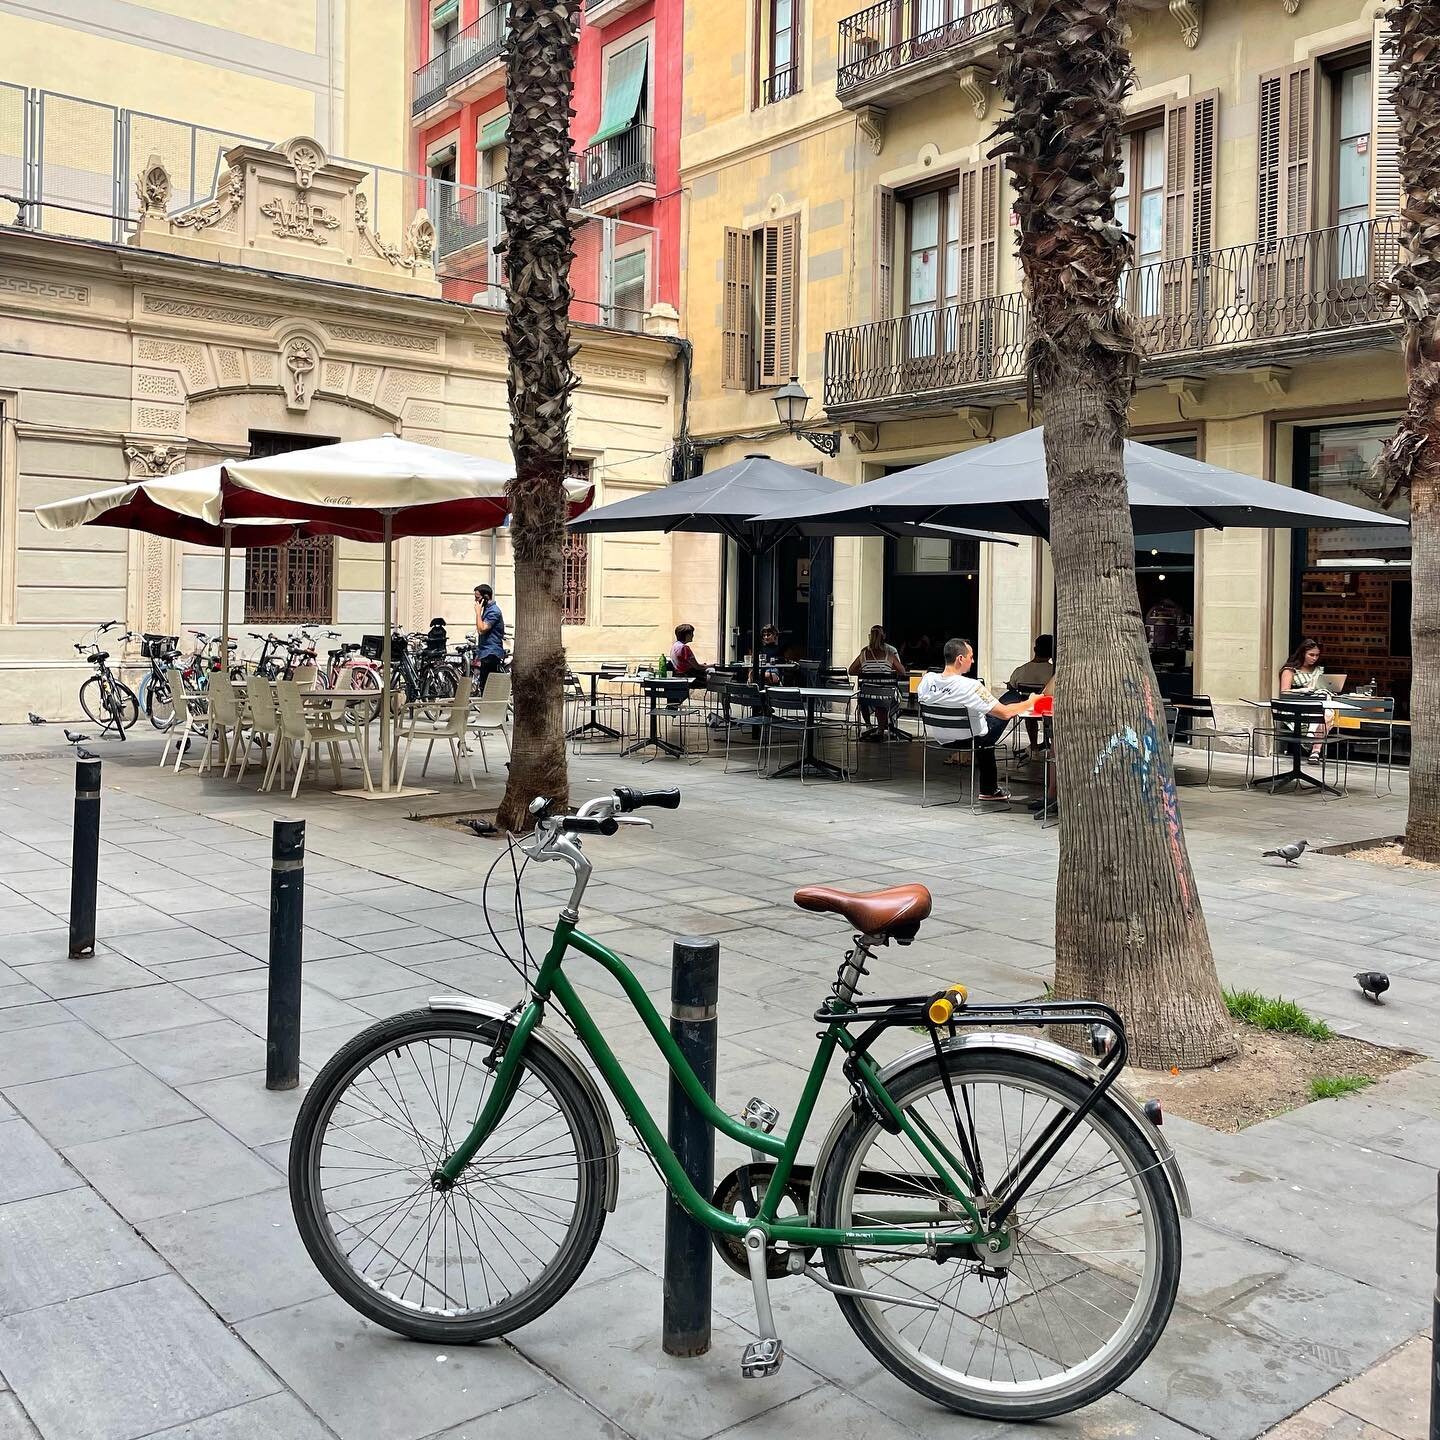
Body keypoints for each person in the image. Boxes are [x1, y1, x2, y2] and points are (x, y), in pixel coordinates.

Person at [918, 638, 1036, 803]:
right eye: (971, 657)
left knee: (983, 723)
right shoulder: (971, 686)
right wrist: (1031, 702)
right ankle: (989, 790)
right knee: (1011, 697)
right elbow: (1005, 714)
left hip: (942, 738)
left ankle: (989, 789)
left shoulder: (927, 680)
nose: (973, 661)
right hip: (972, 739)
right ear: (960, 658)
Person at [1278, 637, 1333, 762]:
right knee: (1325, 713)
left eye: (1317, 655)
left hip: (1318, 703)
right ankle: (1312, 743)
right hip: (1297, 705)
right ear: (1303, 653)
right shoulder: (1290, 670)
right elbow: (1284, 692)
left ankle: (1315, 750)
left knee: (1328, 714)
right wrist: (1301, 690)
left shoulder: (1320, 670)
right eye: (1311, 655)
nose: (1314, 658)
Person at [849, 624, 906, 740]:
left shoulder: (863, 654)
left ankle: (868, 726)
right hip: (885, 696)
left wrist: (865, 671)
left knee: (871, 694)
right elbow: (902, 671)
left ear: (870, 637)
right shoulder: (889, 654)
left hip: (866, 695)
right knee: (882, 696)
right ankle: (881, 730)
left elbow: (851, 670)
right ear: (883, 637)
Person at [1009, 634, 1055, 757]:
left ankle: (1033, 745)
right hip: (1048, 711)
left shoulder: (1020, 670)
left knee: (1029, 711)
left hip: (1027, 711)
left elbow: (1012, 686)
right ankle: (1050, 743)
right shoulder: (1054, 672)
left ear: (1035, 650)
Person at [472, 584, 506, 693]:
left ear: (486, 597)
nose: (476, 601)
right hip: (485, 652)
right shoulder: (487, 610)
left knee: (489, 689)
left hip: (491, 653)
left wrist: (477, 613)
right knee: (484, 687)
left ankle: (491, 709)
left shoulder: (493, 611)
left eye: (478, 598)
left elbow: (482, 629)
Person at [668, 623, 710, 704]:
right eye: (691, 633)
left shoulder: (675, 646)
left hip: (680, 675)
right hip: (689, 676)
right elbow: (697, 667)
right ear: (687, 635)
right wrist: (711, 665)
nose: (693, 635)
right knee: (720, 681)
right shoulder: (684, 648)